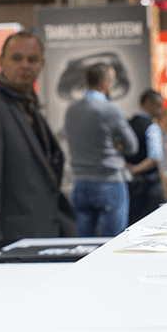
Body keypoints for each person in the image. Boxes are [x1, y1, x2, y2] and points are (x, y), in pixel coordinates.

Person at [0, 31, 75, 240]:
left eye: (32, 59)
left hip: (46, 235)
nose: (25, 65)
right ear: (1, 62)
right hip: (12, 243)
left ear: (41, 63)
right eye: (16, 58)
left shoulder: (29, 108)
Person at [63, 63, 139, 236]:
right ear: (105, 82)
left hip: (80, 183)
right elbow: (132, 146)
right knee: (112, 245)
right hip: (109, 182)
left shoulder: (71, 110)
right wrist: (117, 144)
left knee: (82, 247)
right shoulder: (111, 109)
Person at [124, 89, 167, 223]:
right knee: (152, 223)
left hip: (129, 184)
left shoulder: (127, 124)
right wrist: (135, 169)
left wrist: (130, 169)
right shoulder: (152, 127)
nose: (161, 110)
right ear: (148, 103)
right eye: (159, 105)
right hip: (149, 184)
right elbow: (155, 158)